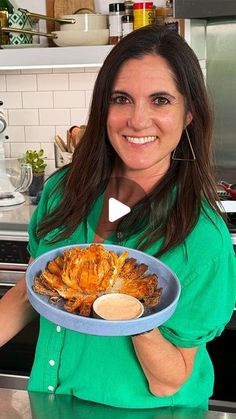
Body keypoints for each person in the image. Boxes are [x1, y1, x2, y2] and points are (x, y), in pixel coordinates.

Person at [0, 25, 235, 410]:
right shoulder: (63, 191)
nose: (137, 120)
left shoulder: (203, 236)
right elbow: (32, 290)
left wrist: (130, 305)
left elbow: (168, 381)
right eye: (121, 99)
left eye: (160, 100)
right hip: (53, 402)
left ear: (189, 113)